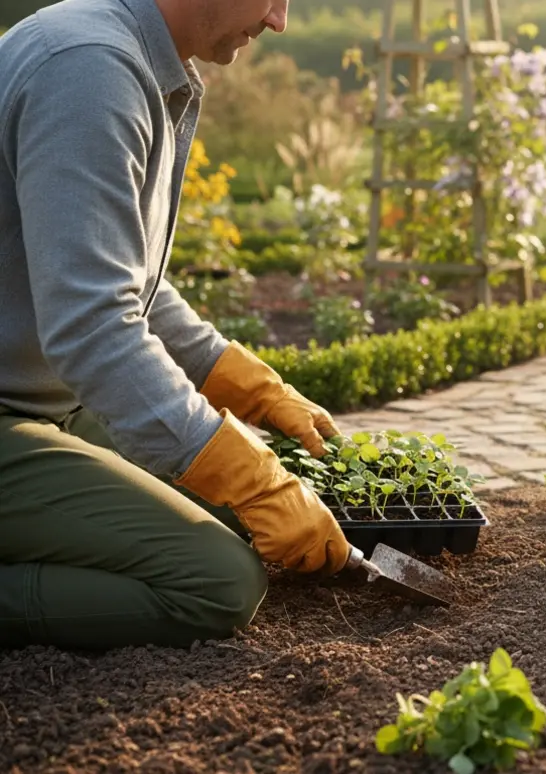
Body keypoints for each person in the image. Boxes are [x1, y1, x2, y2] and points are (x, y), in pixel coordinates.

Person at [0, 0, 356, 651]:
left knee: (243, 515)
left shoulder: (131, 59)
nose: (279, 21)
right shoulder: (88, 70)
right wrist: (249, 476)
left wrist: (246, 384)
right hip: (12, 414)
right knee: (220, 582)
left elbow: (123, 278)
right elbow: (92, 327)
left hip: (43, 405)